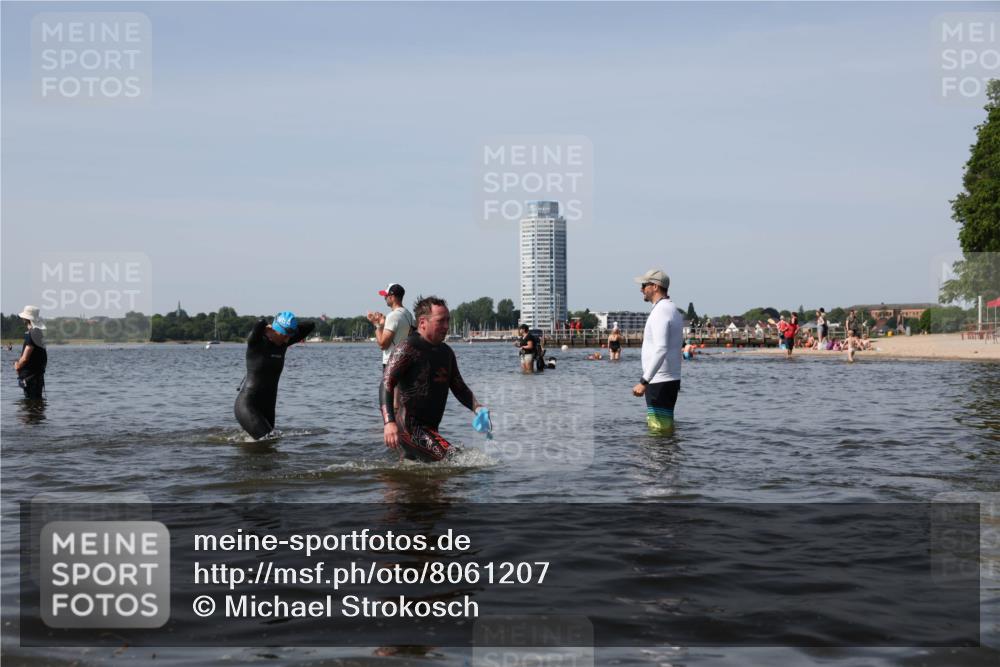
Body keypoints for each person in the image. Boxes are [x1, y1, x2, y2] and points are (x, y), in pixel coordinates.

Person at [381, 296, 484, 462]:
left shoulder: (446, 353)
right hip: (410, 428)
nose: (446, 326)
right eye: (440, 321)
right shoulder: (407, 348)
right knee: (454, 458)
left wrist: (477, 408)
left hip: (431, 428)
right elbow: (386, 384)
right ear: (423, 322)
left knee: (419, 481)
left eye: (448, 321)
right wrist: (388, 422)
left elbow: (458, 386)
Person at [234, 311, 315, 439]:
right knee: (269, 440)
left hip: (268, 407)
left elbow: (310, 324)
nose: (288, 339)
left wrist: (290, 326)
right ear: (274, 330)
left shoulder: (283, 343)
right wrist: (271, 327)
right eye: (285, 335)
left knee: (269, 449)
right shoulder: (256, 342)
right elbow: (260, 323)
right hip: (248, 405)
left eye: (289, 336)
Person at [631, 269, 684, 434]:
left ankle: (658, 459)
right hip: (669, 378)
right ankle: (668, 458)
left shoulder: (661, 311)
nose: (641, 289)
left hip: (659, 380)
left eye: (644, 285)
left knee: (658, 430)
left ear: (655, 286)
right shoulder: (672, 309)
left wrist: (644, 381)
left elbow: (661, 348)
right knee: (665, 428)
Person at [366, 283, 415, 369]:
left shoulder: (392, 316)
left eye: (386, 296)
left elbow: (383, 344)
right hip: (406, 362)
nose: (384, 298)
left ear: (392, 297)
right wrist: (383, 324)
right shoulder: (409, 315)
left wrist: (376, 324)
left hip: (392, 363)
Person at [13, 305, 47, 399]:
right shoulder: (39, 333)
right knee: (38, 404)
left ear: (26, 318)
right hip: (38, 375)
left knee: (30, 406)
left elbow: (25, 358)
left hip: (30, 377)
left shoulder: (31, 334)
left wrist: (17, 365)